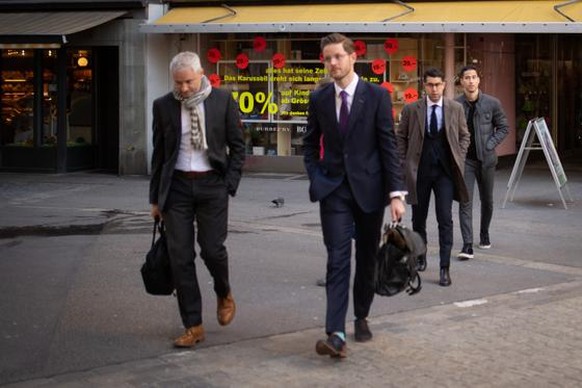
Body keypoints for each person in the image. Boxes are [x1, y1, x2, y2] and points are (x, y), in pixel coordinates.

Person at [303, 33, 406, 358]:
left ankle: (361, 314)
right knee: (337, 259)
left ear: (352, 57)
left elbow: (388, 146)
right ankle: (335, 333)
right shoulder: (319, 99)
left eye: (337, 56)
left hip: (369, 191)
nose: (332, 63)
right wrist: (316, 174)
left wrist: (395, 193)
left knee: (365, 258)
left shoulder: (375, 96)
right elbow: (308, 144)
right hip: (333, 190)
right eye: (327, 58)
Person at [149, 51, 245, 348]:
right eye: (178, 83)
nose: (184, 89)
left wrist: (229, 184)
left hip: (212, 185)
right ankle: (193, 325)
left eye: (189, 82)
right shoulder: (163, 106)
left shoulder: (222, 101)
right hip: (176, 188)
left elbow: (238, 146)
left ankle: (224, 291)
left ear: (201, 73)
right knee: (181, 258)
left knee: (213, 250)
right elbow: (160, 154)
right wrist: (155, 199)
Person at [395, 67, 470, 287]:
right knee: (418, 219)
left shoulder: (455, 108)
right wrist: (404, 161)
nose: (434, 89)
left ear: (444, 84)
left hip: (445, 173)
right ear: (424, 85)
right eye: (430, 84)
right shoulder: (412, 109)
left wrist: (460, 155)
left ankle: (444, 268)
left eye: (438, 84)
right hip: (420, 172)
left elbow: (465, 136)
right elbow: (400, 137)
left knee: (445, 219)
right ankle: (420, 256)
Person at [456, 65, 510, 259]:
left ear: (479, 80)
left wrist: (490, 144)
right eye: (467, 78)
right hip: (466, 162)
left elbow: (504, 127)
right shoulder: (455, 105)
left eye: (474, 77)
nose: (471, 81)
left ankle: (484, 234)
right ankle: (467, 245)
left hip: (487, 161)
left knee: (487, 201)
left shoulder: (492, 103)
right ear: (461, 81)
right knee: (465, 202)